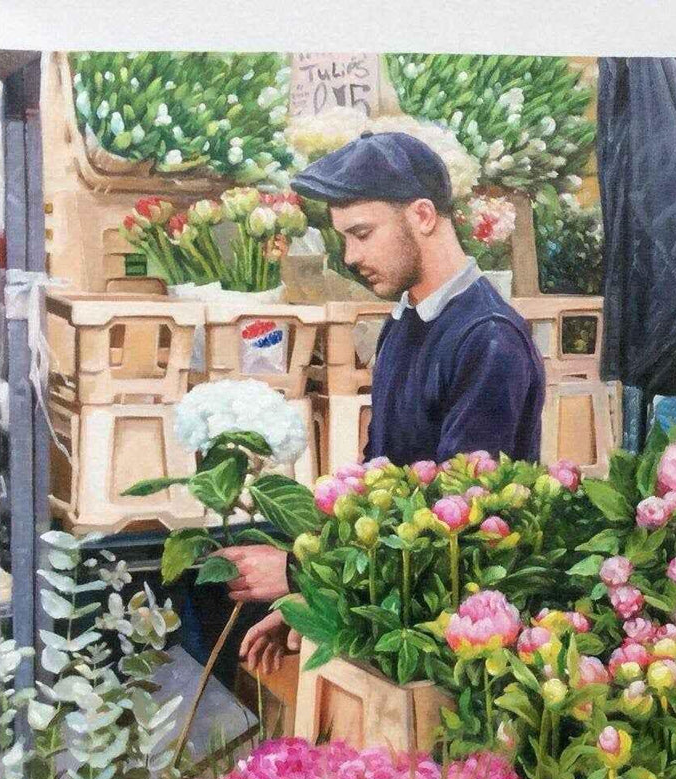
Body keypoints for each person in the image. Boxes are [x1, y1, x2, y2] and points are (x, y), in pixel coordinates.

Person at [232, 131, 546, 674]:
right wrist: (314, 597)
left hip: (460, 637)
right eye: (344, 238)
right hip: (401, 605)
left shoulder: (488, 339)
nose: (351, 257)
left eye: (362, 234)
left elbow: (455, 524)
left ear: (422, 215)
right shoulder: (405, 323)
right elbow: (380, 485)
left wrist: (299, 572)